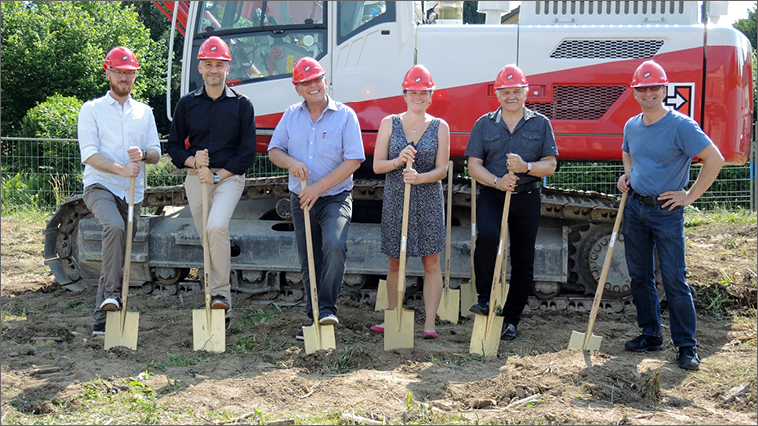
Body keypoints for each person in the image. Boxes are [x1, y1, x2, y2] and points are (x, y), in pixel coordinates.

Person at [617, 60, 724, 371]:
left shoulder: (681, 126)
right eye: (642, 88)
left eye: (654, 88)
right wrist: (628, 174)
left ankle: (687, 346)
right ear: (635, 92)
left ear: (664, 90)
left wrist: (689, 196)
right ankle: (651, 334)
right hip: (635, 208)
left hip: (667, 212)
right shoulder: (632, 125)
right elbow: (627, 151)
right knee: (640, 277)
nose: (648, 93)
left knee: (675, 279)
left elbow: (714, 158)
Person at [268, 57, 365, 340]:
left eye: (316, 80)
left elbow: (354, 160)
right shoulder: (290, 115)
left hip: (335, 197)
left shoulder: (345, 116)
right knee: (309, 257)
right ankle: (314, 318)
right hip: (301, 198)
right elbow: (274, 150)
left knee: (334, 244)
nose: (313, 86)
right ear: (297, 88)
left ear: (325, 81)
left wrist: (319, 187)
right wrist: (291, 162)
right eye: (305, 82)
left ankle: (326, 309)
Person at [166, 36, 257, 332]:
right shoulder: (187, 104)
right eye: (208, 64)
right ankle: (217, 304)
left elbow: (247, 152)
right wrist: (194, 162)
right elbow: (174, 146)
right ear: (200, 68)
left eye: (219, 64)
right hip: (197, 179)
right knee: (207, 238)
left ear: (227, 68)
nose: (214, 69)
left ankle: (221, 295)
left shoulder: (242, 105)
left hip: (229, 178)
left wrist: (217, 176)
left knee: (216, 226)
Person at [465, 64, 558, 340]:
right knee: (487, 237)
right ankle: (484, 299)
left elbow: (550, 165)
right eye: (505, 92)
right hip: (493, 194)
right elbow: (473, 166)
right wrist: (497, 181)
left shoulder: (541, 124)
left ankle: (511, 319)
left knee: (523, 259)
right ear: (497, 94)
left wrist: (525, 167)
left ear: (526, 92)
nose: (511, 96)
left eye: (516, 91)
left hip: (527, 196)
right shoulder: (483, 124)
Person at [77, 46, 161, 336]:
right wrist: (120, 169)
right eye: (119, 72)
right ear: (108, 72)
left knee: (119, 253)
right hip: (100, 185)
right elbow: (89, 154)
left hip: (132, 193)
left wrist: (144, 155)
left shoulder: (144, 112)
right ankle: (113, 294)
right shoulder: (91, 109)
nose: (125, 77)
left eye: (130, 73)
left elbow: (156, 152)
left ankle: (102, 319)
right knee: (113, 226)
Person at [369, 65, 450, 339]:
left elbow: (442, 170)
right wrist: (398, 161)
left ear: (431, 96)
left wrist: (420, 178)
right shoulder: (389, 123)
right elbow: (377, 166)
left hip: (428, 200)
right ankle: (392, 316)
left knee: (432, 264)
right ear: (404, 95)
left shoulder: (440, 126)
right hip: (396, 198)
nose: (418, 97)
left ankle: (429, 325)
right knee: (395, 263)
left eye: (423, 92)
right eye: (413, 92)